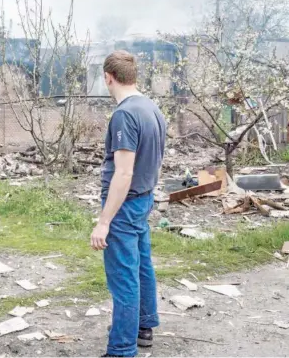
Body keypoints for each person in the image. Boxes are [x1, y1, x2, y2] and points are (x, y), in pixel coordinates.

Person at [90, 50, 166, 357]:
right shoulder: (151, 108)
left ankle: (121, 349)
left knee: (123, 278)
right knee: (142, 266)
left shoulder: (124, 114)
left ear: (108, 77)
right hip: (144, 199)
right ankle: (143, 327)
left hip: (125, 205)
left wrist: (104, 221)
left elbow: (123, 173)